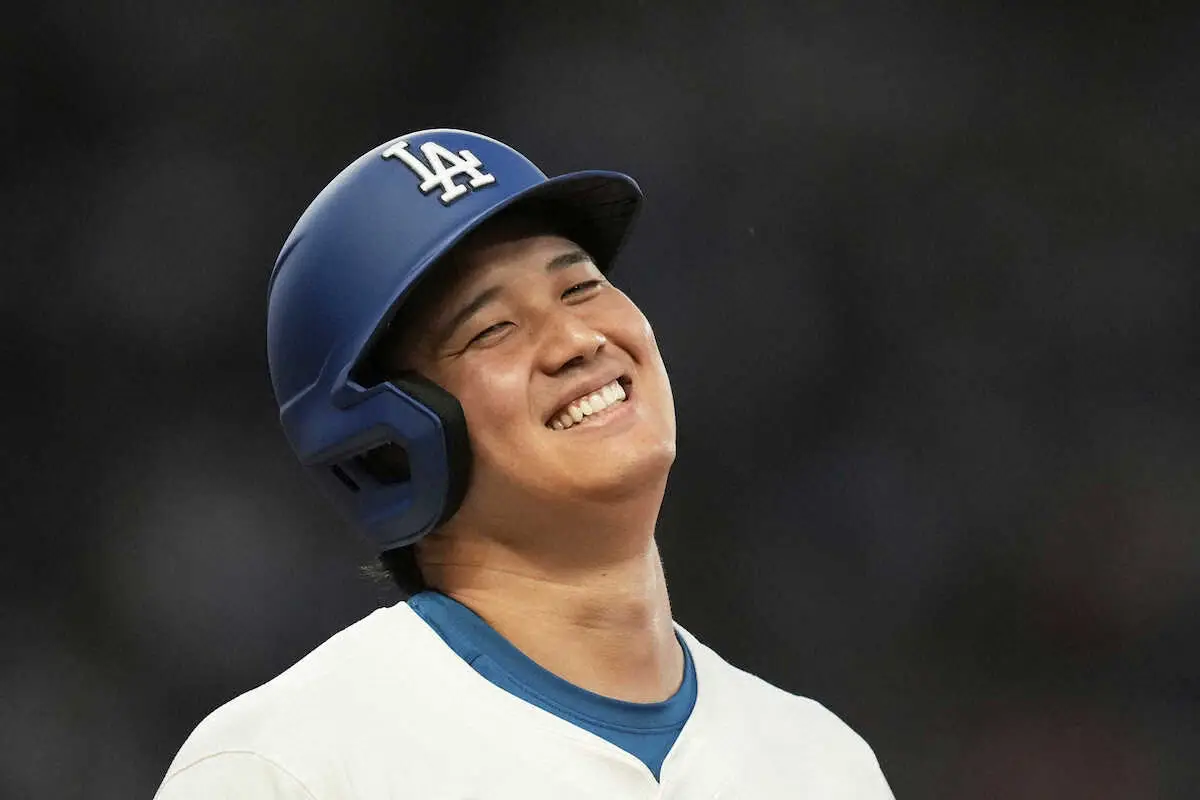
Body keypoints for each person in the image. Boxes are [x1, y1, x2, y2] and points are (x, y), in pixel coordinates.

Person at [155, 129, 895, 798]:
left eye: (581, 287)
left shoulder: (822, 765)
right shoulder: (287, 765)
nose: (577, 339)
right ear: (383, 449)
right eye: (492, 329)